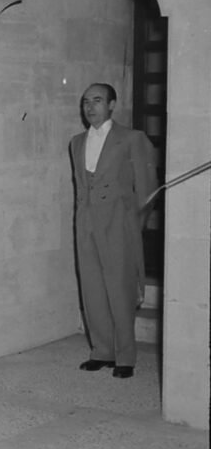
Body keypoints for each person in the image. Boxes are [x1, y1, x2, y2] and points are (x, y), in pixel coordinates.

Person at [70, 83, 157, 379]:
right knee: (92, 288)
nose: (90, 107)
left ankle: (125, 357)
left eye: (97, 100)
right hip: (86, 224)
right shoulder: (76, 142)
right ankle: (102, 351)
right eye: (85, 102)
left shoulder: (133, 139)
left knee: (120, 290)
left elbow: (147, 189)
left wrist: (135, 226)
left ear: (111, 105)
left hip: (119, 224)